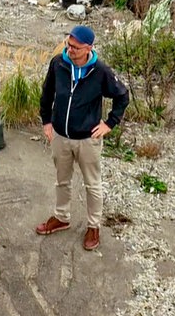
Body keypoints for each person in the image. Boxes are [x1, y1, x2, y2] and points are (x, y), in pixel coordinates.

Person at [35, 25, 129, 251]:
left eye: (76, 47)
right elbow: (47, 92)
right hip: (60, 136)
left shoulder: (100, 71)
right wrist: (46, 121)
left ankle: (93, 227)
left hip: (88, 139)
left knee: (92, 185)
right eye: (68, 45)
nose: (70, 50)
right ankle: (61, 217)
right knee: (62, 180)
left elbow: (122, 95)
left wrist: (109, 124)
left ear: (89, 48)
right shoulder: (58, 63)